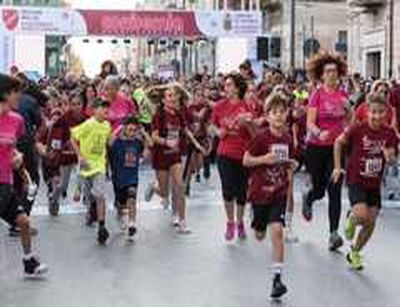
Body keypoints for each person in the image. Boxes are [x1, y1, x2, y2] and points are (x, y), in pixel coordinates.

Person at [333, 93, 398, 270]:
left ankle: (354, 251)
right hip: (357, 179)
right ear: (367, 111)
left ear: (386, 113)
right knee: (361, 216)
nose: (377, 116)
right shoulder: (357, 129)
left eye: (381, 112)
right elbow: (338, 143)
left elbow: (392, 160)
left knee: (370, 223)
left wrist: (389, 157)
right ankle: (353, 217)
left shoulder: (390, 133)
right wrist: (338, 167)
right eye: (373, 112)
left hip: (374, 183)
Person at [243, 93, 295, 299]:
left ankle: (277, 278)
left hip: (278, 193)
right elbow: (246, 161)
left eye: (282, 112)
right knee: (259, 234)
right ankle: (255, 221)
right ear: (267, 115)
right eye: (274, 112)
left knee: (277, 233)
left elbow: (288, 164)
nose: (279, 116)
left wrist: (292, 165)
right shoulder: (261, 137)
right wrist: (265, 158)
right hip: (259, 193)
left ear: (287, 114)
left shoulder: (288, 139)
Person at [0, 73, 48, 277]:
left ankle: (29, 262)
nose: (19, 96)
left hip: (6, 182)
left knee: (24, 222)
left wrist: (17, 156)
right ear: (4, 94)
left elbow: (15, 147)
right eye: (15, 92)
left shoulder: (16, 120)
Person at [302, 52, 350, 251]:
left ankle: (333, 233)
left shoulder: (343, 96)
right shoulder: (317, 94)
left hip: (336, 149)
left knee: (335, 190)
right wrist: (318, 132)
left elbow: (351, 122)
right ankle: (310, 197)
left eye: (334, 71)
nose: (331, 74)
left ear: (339, 74)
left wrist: (350, 112)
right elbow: (309, 123)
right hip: (316, 147)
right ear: (321, 75)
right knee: (321, 190)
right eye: (327, 71)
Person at [146, 84, 205, 233]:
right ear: (164, 100)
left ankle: (182, 220)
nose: (173, 98)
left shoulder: (178, 114)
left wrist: (197, 144)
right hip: (160, 156)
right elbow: (154, 137)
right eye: (169, 96)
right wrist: (166, 142)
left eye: (174, 95)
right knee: (165, 193)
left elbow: (186, 131)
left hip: (175, 155)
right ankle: (154, 188)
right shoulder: (158, 115)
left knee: (180, 186)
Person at [212, 73, 253, 241]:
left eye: (229, 85)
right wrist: (217, 132)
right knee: (228, 189)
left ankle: (240, 221)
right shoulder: (219, 106)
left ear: (237, 88)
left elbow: (254, 132)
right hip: (225, 153)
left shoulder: (247, 106)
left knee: (242, 191)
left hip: (243, 154)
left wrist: (248, 123)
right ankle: (230, 222)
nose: (226, 88)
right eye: (225, 85)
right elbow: (212, 125)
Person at [71, 98, 112, 244]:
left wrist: (117, 136)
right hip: (86, 165)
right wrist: (80, 156)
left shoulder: (107, 125)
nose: (106, 110)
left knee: (100, 194)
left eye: (107, 108)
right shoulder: (88, 124)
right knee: (89, 197)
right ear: (95, 110)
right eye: (102, 107)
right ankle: (91, 210)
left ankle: (102, 226)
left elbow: (108, 142)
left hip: (100, 164)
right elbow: (73, 137)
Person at [109, 116, 150, 241]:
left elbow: (150, 145)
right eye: (130, 130)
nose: (132, 133)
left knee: (131, 200)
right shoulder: (118, 142)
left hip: (132, 178)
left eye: (134, 130)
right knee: (122, 204)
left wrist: (143, 133)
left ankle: (132, 224)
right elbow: (109, 142)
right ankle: (120, 214)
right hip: (118, 179)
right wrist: (118, 129)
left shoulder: (137, 143)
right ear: (125, 130)